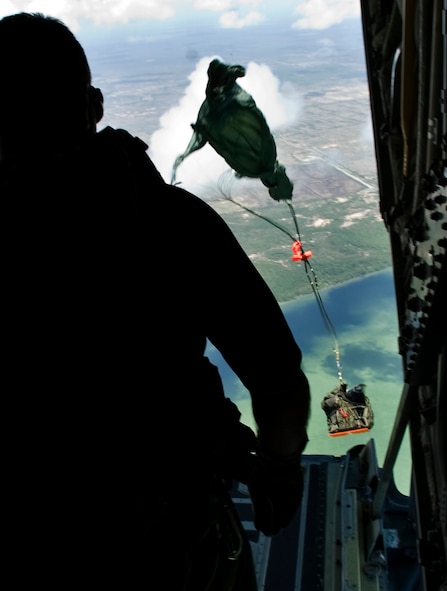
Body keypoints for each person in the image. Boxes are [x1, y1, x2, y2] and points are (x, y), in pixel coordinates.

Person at [1, 12, 311, 590]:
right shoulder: (170, 222)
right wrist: (277, 474)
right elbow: (279, 382)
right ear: (93, 106)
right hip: (170, 544)